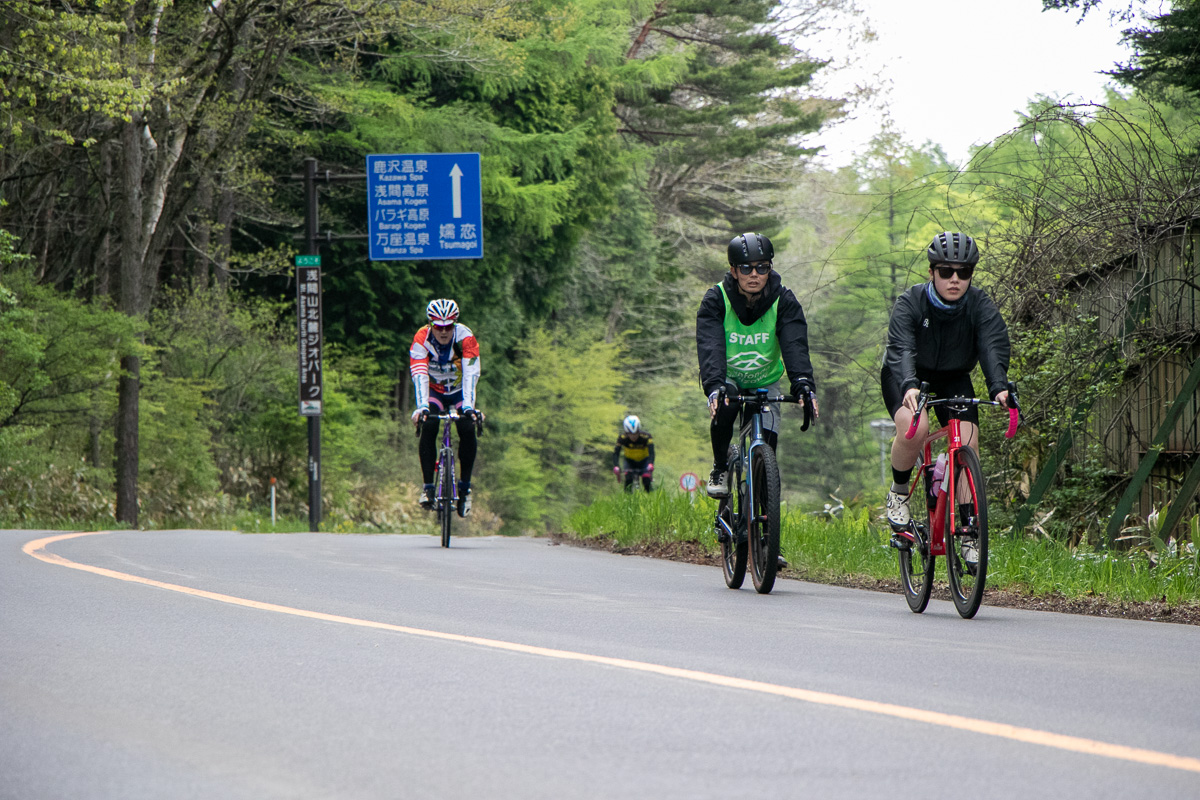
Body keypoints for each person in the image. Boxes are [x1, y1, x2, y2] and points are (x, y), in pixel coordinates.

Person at [881, 231, 1012, 538]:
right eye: (946, 272)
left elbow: (992, 346)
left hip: (954, 377)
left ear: (971, 274)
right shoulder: (910, 301)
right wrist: (909, 385)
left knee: (967, 441)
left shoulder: (980, 305)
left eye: (964, 272)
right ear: (932, 272)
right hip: (907, 376)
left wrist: (999, 387)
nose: (955, 279)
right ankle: (899, 492)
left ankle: (968, 530)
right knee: (917, 425)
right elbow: (902, 348)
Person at [696, 232, 818, 500]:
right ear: (733, 270)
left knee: (766, 456)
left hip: (765, 382)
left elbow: (794, 343)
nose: (754, 274)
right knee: (726, 407)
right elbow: (710, 345)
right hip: (728, 378)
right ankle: (720, 466)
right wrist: (714, 386)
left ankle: (762, 528)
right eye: (746, 268)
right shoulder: (716, 299)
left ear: (770, 269)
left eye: (762, 267)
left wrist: (802, 383)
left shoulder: (783, 300)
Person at [410, 298, 482, 517]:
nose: (443, 331)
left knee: (468, 429)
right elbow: (419, 374)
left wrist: (469, 407)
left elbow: (471, 374)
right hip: (434, 391)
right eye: (438, 327)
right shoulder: (421, 339)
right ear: (431, 324)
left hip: (460, 391)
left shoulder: (466, 338)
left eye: (448, 326)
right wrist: (422, 407)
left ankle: (465, 488)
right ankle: (428, 488)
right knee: (429, 424)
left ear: (455, 324)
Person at [612, 415, 655, 492]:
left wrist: (651, 463)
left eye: (636, 434)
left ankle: (650, 498)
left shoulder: (646, 437)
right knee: (628, 480)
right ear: (626, 433)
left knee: (646, 480)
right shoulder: (622, 438)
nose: (633, 437)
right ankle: (627, 500)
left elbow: (651, 452)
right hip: (629, 461)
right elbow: (616, 453)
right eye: (630, 434)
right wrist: (616, 465)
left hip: (644, 460)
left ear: (639, 430)